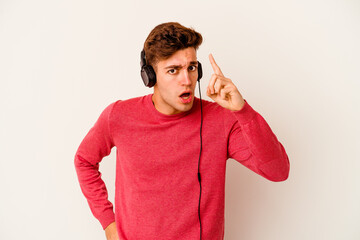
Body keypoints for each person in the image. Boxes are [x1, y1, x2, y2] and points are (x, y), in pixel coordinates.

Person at [74, 22, 290, 240]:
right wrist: (109, 224)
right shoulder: (119, 116)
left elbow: (278, 171)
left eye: (192, 67)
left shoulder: (221, 118)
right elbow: (84, 160)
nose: (186, 81)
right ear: (150, 76)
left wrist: (243, 111)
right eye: (173, 70)